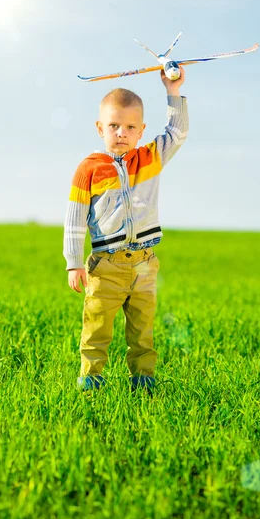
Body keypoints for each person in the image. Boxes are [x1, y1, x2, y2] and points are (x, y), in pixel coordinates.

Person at [63, 66, 188, 392]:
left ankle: (143, 382)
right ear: (99, 127)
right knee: (97, 328)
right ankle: (91, 381)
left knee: (143, 329)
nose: (121, 132)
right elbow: (75, 218)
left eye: (130, 127)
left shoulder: (150, 158)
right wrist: (74, 262)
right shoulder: (88, 169)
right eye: (114, 125)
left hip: (145, 263)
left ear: (141, 130)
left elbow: (177, 132)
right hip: (107, 266)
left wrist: (172, 92)